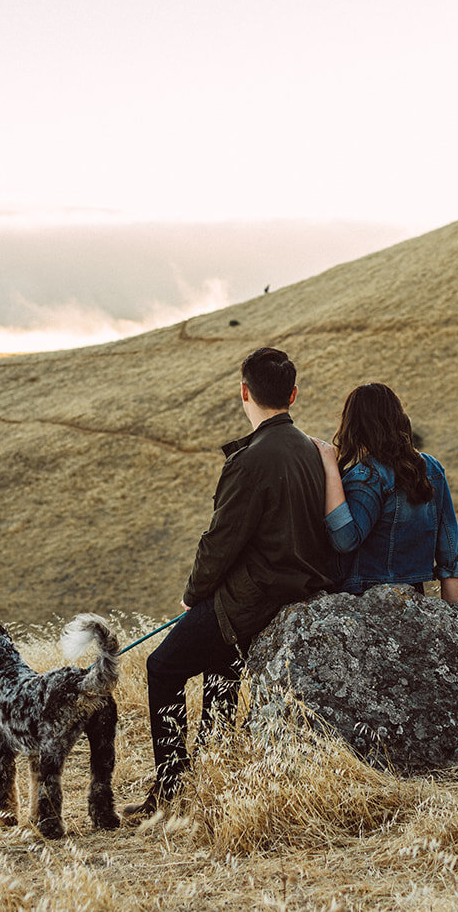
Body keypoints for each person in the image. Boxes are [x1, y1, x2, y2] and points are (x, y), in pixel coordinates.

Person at [124, 347, 341, 818]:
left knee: (163, 667)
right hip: (298, 592)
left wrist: (192, 597)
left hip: (252, 599)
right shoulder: (312, 451)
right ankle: (214, 775)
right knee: (223, 668)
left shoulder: (250, 460)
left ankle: (170, 790)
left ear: (245, 392)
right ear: (294, 394)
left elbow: (219, 544)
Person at [313, 383, 458, 603]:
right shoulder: (431, 469)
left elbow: (345, 540)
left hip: (364, 599)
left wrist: (329, 465)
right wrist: (450, 617)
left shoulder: (367, 474)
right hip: (414, 598)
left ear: (354, 426)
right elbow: (450, 553)